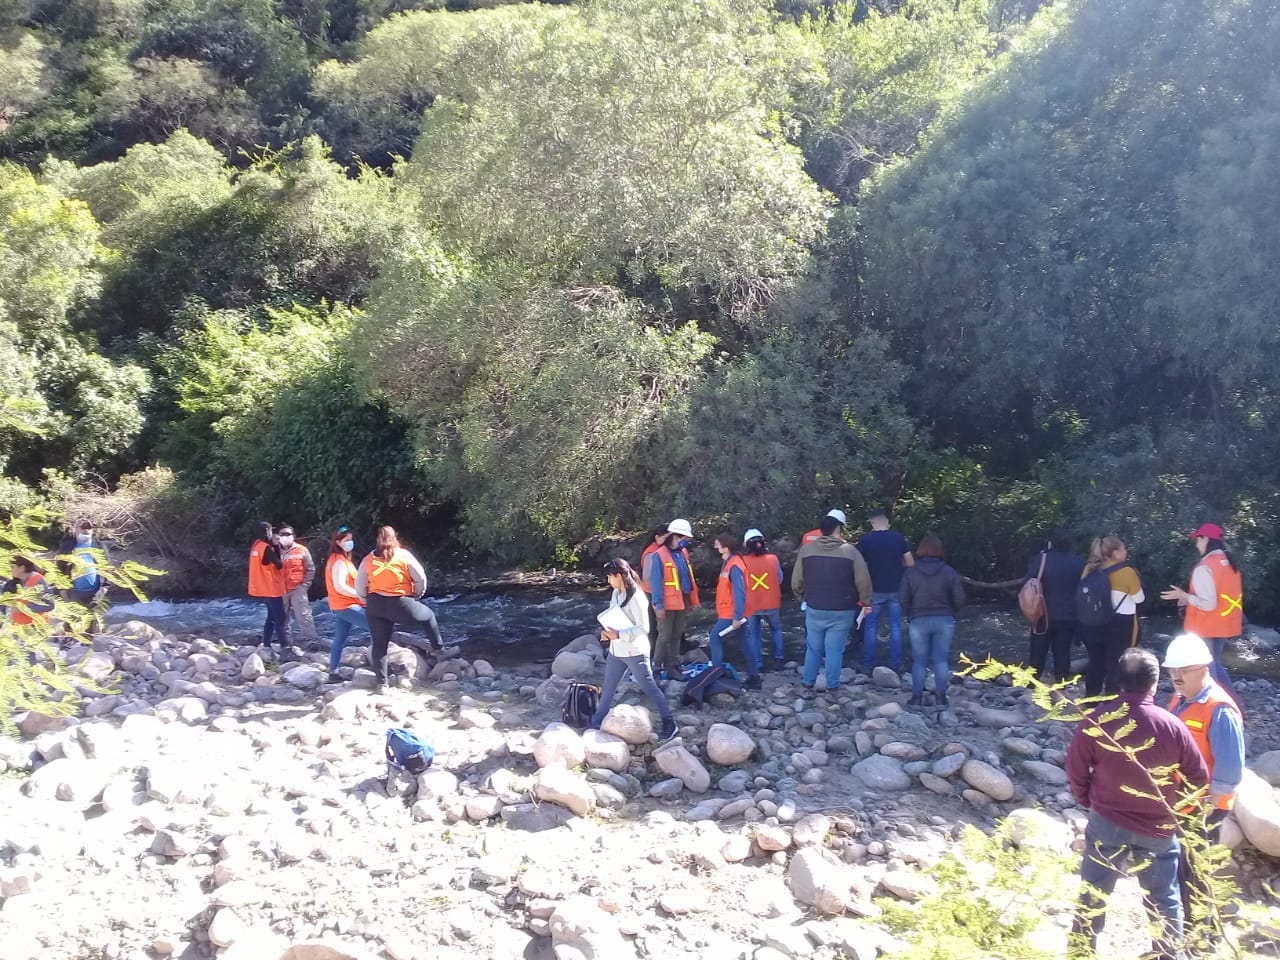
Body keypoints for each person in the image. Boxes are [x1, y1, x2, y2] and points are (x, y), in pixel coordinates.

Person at [1067, 647, 1209, 960]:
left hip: (1107, 820)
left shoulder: (1098, 719)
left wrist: (1087, 799)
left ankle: (1080, 954)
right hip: (1158, 827)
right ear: (1155, 684)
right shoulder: (1172, 725)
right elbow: (1199, 779)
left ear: (1118, 681)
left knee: (1093, 892)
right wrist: (1177, 813)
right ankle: (1169, 954)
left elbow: (1075, 767)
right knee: (1164, 900)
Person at [1162, 632, 1246, 940]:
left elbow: (1230, 772)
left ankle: (1203, 937)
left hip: (1204, 806)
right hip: (1181, 799)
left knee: (1194, 870)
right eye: (1173, 671)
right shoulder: (1180, 698)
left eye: (1183, 670)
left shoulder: (1220, 710)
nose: (1176, 677)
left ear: (1203, 669)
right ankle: (1186, 931)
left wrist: (1204, 807)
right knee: (1178, 868)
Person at [356, 526, 454, 691]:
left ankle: (382, 684)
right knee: (428, 616)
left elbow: (360, 586)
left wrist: (368, 601)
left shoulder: (367, 560)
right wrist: (416, 595)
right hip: (400, 603)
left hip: (375, 605)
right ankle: (439, 650)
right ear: (395, 538)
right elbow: (420, 578)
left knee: (380, 646)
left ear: (377, 540)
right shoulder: (403, 555)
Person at [589, 559, 677, 741]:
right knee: (608, 688)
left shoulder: (637, 597)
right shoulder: (616, 592)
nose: (608, 580)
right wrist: (607, 633)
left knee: (650, 688)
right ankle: (596, 722)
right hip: (616, 651)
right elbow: (613, 617)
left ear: (619, 576)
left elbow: (643, 628)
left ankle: (670, 722)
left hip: (635, 652)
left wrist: (619, 635)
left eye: (610, 576)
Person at [1160, 523, 1243, 707]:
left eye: (1198, 539)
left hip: (1204, 625)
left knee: (1209, 668)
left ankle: (1215, 707)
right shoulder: (1230, 563)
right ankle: (1233, 705)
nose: (1196, 544)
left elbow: (1207, 603)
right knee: (1217, 665)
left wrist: (1183, 596)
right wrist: (1188, 597)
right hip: (1224, 623)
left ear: (1206, 539)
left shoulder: (1204, 567)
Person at [792, 513, 872, 694]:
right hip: (842, 609)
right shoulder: (850, 551)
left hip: (814, 606)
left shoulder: (807, 550)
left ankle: (806, 685)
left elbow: (796, 580)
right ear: (839, 528)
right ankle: (832, 689)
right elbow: (863, 581)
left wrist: (802, 597)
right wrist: (866, 602)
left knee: (813, 648)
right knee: (834, 650)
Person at [899, 534, 965, 707]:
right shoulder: (949, 571)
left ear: (921, 550)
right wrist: (951, 611)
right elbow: (960, 598)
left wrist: (909, 613)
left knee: (919, 661)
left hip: (918, 619)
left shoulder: (911, 572)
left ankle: (916, 698)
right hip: (944, 619)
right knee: (941, 661)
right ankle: (941, 698)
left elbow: (903, 598)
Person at [1080, 536, 1144, 696]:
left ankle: (1090, 701)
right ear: (1115, 553)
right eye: (1123, 549)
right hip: (1119, 624)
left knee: (1095, 663)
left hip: (1091, 622)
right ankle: (1111, 704)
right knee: (1115, 664)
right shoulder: (1127, 572)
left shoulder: (1089, 569)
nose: (1126, 551)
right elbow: (1139, 599)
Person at [1022, 528, 1086, 681]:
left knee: (1037, 651)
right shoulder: (1078, 561)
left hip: (1042, 613)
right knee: (1062, 652)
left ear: (1051, 543)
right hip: (1069, 614)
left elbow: (1028, 581)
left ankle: (1032, 684)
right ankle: (1061, 684)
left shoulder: (1041, 559)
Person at [857, 508, 913, 674]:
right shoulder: (898, 538)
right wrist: (898, 565)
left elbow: (858, 565)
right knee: (895, 626)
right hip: (896, 588)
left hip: (874, 589)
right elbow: (910, 563)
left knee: (871, 626)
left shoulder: (866, 540)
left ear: (872, 522)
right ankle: (895, 664)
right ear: (887, 521)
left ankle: (868, 665)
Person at [648, 519, 700, 681]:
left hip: (682, 600)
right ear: (676, 536)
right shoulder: (659, 555)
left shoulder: (682, 553)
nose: (687, 541)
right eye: (684, 537)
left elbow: (687, 578)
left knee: (677, 634)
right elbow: (656, 582)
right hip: (667, 602)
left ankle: (673, 666)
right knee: (664, 636)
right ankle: (656, 667)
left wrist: (692, 600)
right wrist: (658, 605)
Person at [709, 532, 756, 688]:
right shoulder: (730, 562)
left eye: (717, 544)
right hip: (732, 612)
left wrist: (737, 616)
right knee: (744, 643)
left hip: (732, 613)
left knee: (715, 637)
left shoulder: (734, 564)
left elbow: (739, 592)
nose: (715, 546)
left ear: (726, 547)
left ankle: (715, 677)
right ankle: (754, 678)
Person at [325, 526, 368, 683]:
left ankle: (333, 672)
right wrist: (362, 596)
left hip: (341, 605)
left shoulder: (339, 559)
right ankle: (380, 668)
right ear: (338, 542)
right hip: (346, 606)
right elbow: (340, 586)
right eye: (346, 540)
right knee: (377, 627)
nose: (350, 542)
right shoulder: (339, 562)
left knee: (340, 639)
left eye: (351, 539)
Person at [742, 528, 785, 670]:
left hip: (752, 605)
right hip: (772, 603)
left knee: (754, 635)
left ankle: (757, 664)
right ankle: (779, 659)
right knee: (776, 630)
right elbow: (780, 579)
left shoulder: (742, 561)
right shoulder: (773, 559)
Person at [56, 519, 109, 631]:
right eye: (83, 527)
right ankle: (68, 643)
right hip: (73, 591)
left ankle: (88, 644)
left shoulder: (99, 546)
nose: (86, 530)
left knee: (90, 622)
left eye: (88, 527)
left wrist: (104, 588)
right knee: (71, 620)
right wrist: (62, 590)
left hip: (94, 592)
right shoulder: (67, 547)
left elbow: (107, 569)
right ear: (76, 529)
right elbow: (59, 569)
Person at [247, 521, 286, 653]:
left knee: (271, 617)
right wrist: (276, 545)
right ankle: (285, 647)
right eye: (270, 530)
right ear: (265, 532)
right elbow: (279, 564)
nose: (272, 533)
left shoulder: (256, 546)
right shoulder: (266, 548)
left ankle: (267, 645)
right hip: (272, 588)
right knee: (280, 618)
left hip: (262, 587)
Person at [277, 525, 318, 649]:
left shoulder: (302, 550)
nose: (285, 537)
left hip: (297, 588)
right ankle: (287, 642)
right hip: (279, 589)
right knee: (282, 618)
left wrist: (305, 585)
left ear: (293, 536)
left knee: (304, 615)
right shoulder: (273, 550)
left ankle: (311, 641)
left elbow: (310, 568)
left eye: (288, 534)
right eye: (282, 534)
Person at [3, 555, 56, 631]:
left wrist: (23, 608)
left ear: (22, 568)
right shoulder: (14, 582)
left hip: (35, 628)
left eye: (13, 567)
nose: (10, 569)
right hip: (18, 629)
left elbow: (50, 605)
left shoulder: (38, 580)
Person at [637, 525, 667, 646]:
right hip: (650, 593)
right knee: (653, 625)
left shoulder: (662, 550)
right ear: (657, 538)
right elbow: (648, 578)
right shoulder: (652, 553)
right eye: (666, 537)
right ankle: (654, 652)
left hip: (657, 592)